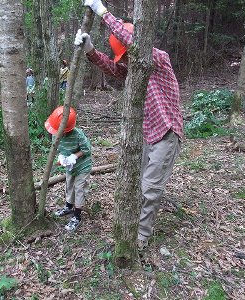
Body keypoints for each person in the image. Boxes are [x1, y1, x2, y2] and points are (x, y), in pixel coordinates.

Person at [76, 0, 184, 249]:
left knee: (150, 187)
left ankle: (142, 238)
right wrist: (90, 51)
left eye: (127, 53)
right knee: (140, 185)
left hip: (167, 132)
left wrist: (103, 13)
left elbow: (133, 45)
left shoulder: (158, 58)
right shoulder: (135, 68)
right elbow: (113, 69)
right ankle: (135, 226)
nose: (126, 60)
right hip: (148, 134)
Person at [45, 106, 92, 231]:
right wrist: (62, 159)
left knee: (79, 188)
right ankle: (68, 206)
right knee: (69, 185)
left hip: (83, 166)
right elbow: (58, 148)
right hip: (70, 166)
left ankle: (77, 216)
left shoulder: (78, 135)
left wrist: (74, 157)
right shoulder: (56, 135)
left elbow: (86, 150)